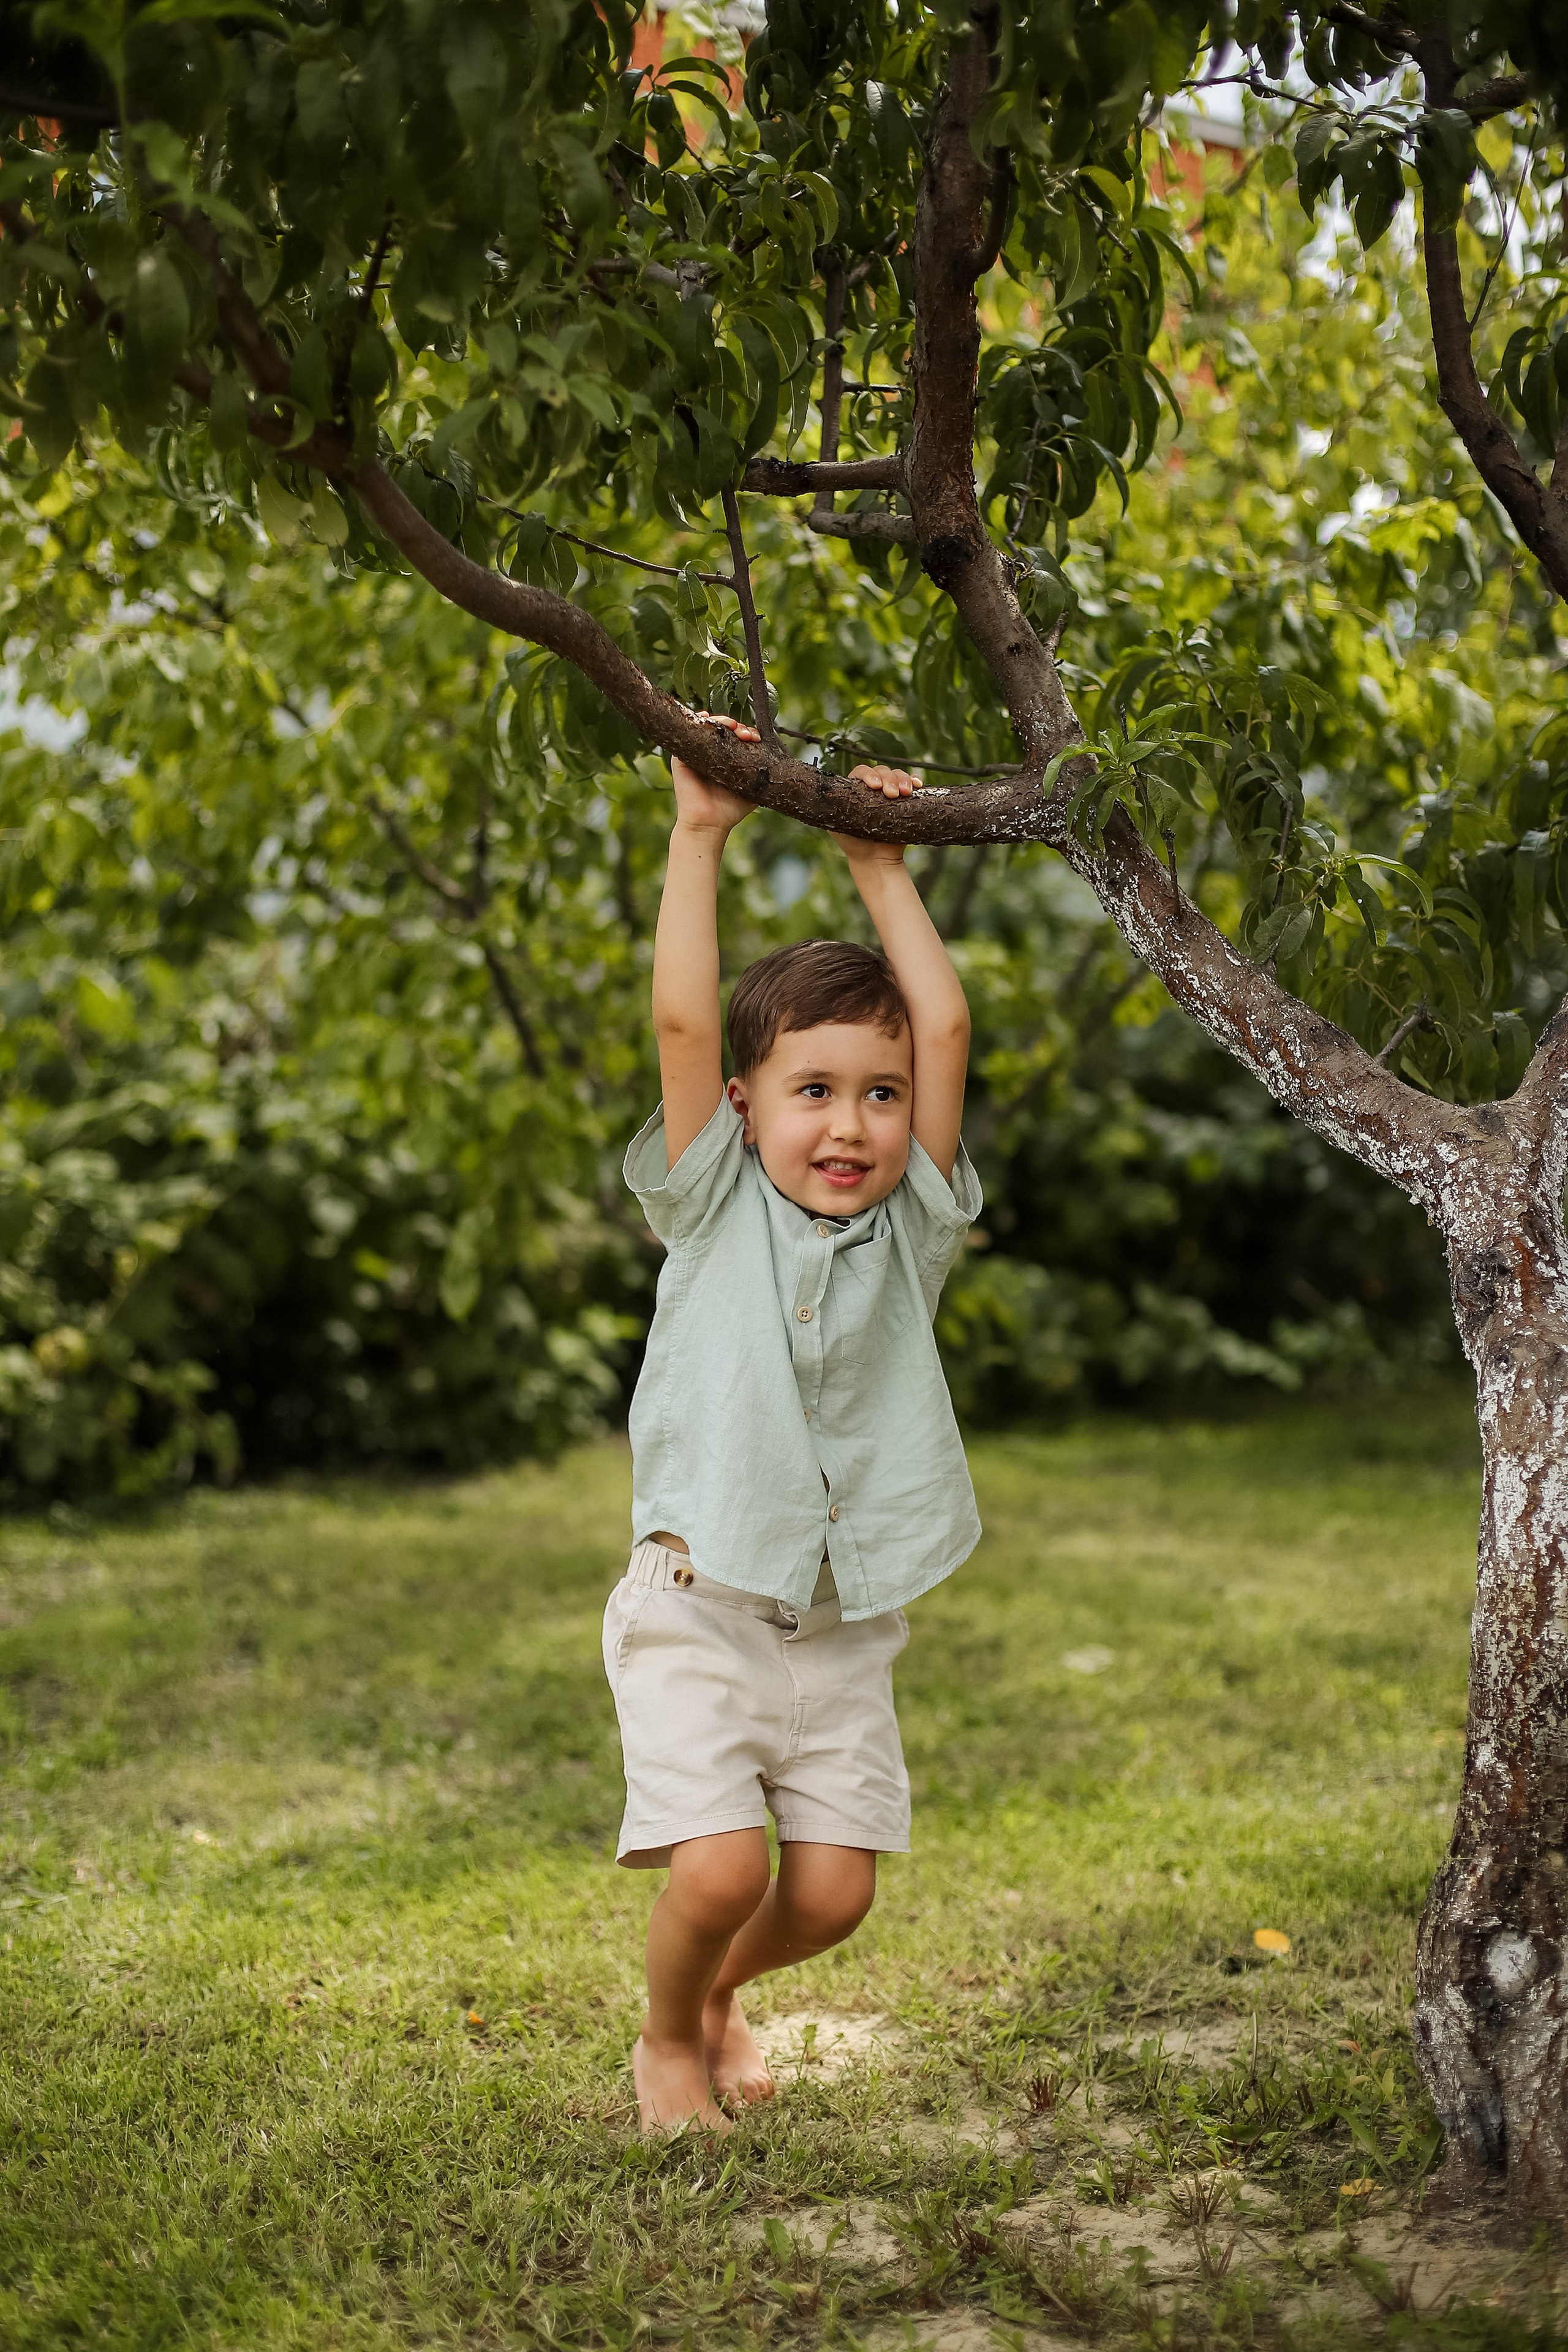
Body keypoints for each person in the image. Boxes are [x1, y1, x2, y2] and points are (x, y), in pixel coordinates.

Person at [605, 711, 983, 2132]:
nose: (849, 1126)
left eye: (879, 1098)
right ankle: (665, 2039)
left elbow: (943, 1026)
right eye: (812, 1092)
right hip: (698, 1604)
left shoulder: (911, 1232)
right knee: (717, 1870)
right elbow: (680, 1021)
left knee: (829, 1896)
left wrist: (880, 863)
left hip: (836, 1625)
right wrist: (699, 831)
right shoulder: (709, 1203)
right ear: (743, 1105)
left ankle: (720, 1996)